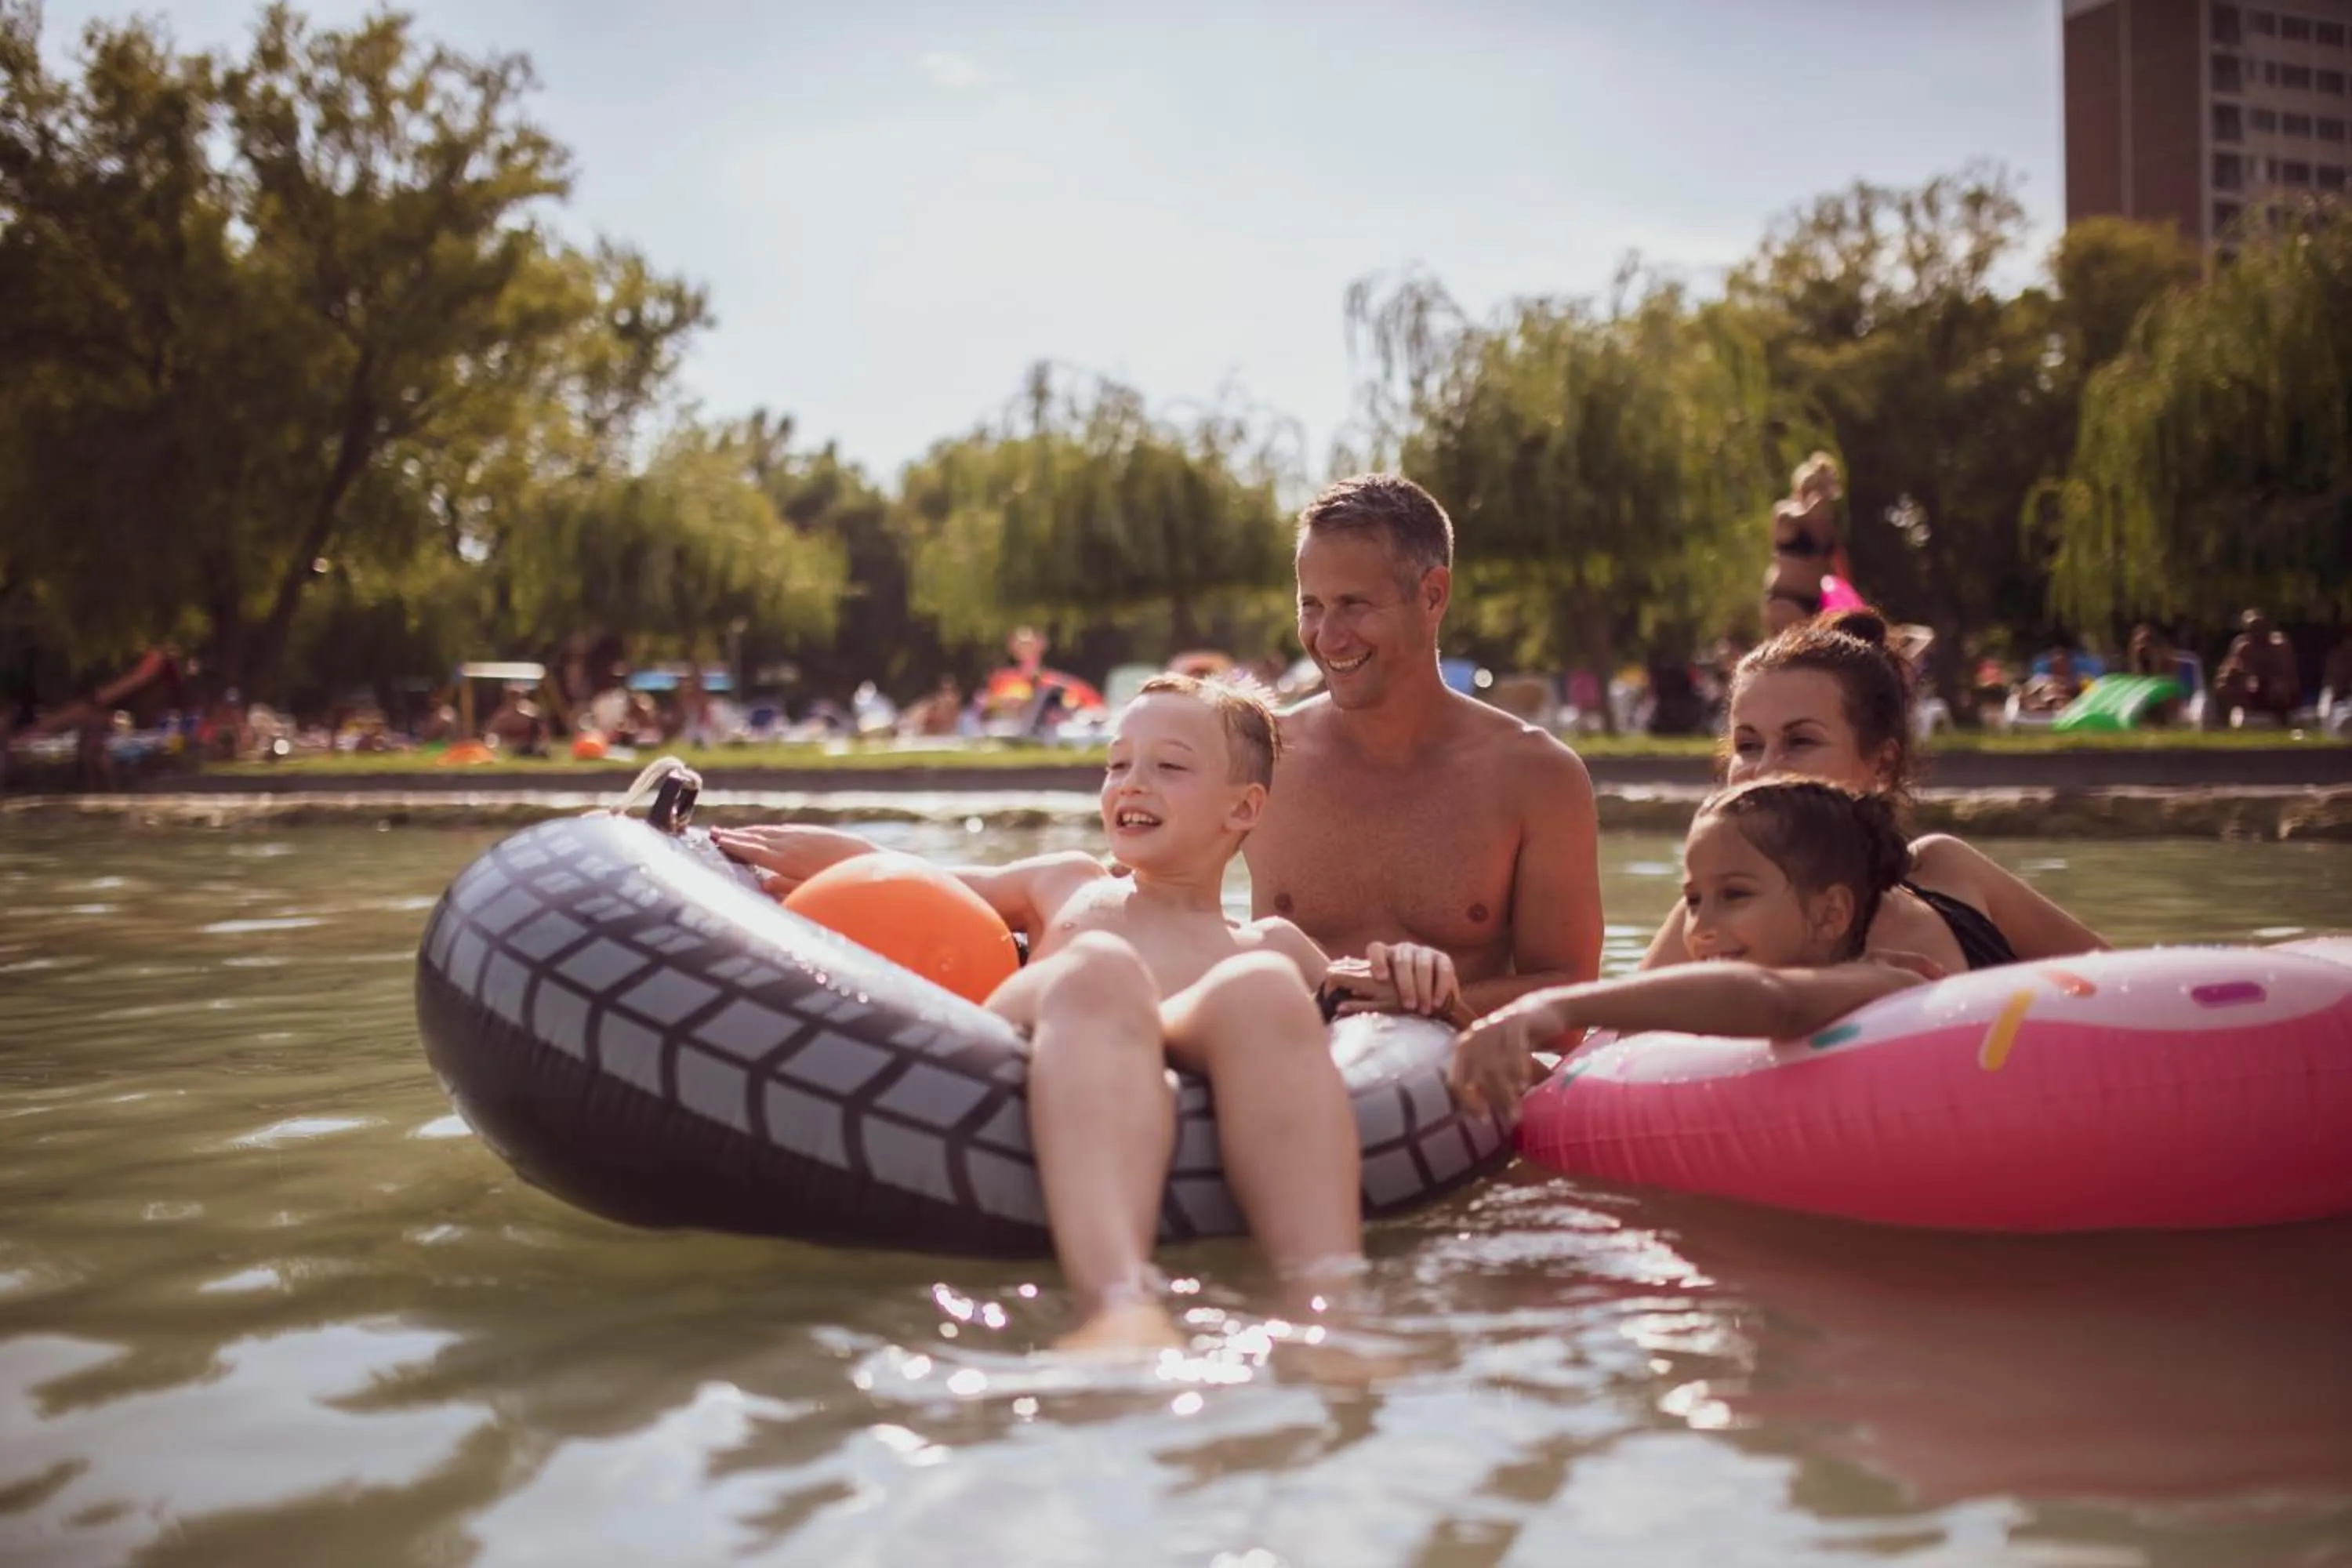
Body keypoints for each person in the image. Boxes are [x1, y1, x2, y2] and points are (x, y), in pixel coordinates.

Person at [716, 675, 1465, 1350]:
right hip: (1047, 1019)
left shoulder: (1270, 945)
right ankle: (1118, 1303)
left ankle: (1326, 1309)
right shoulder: (1067, 881)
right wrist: (805, 855)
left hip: (1177, 1036)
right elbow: (915, 883)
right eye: (1116, 764)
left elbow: (1388, 1017)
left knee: (1264, 986)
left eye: (1169, 767)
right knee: (1105, 967)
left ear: (1244, 806)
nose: (1131, 785)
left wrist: (1419, 980)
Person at [1248, 474, 1605, 1014]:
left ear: (1433, 594)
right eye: (1312, 606)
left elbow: (1570, 1002)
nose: (1327, 636)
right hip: (1293, 1066)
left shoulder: (1537, 777)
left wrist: (1428, 1002)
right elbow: (1156, 903)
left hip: (1451, 1076)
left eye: (1354, 605)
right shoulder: (1260, 758)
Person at [1642, 610, 2106, 975]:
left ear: (1882, 765)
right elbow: (1616, 1058)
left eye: (1800, 741)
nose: (1763, 769)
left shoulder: (1949, 872)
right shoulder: (1714, 913)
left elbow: (2122, 983)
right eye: (1747, 745)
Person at [1453, 778, 1930, 1115]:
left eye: (1736, 895)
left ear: (1830, 914)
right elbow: (1564, 1097)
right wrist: (1456, 1018)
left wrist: (1552, 1008)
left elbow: (1769, 999)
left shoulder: (1883, 982)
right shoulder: (1699, 1029)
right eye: (1693, 900)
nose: (1700, 926)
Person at [1763, 452, 1849, 633]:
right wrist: (1814, 507)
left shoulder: (1827, 527)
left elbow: (1839, 565)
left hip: (1816, 602)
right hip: (1787, 598)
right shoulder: (1785, 511)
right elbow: (1799, 518)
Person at [2215, 609, 2300, 724]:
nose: (2257, 633)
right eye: (2252, 629)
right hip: (2249, 688)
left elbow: (2287, 673)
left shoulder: (2279, 646)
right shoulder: (2243, 647)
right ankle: (2224, 723)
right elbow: (2229, 669)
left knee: (2279, 689)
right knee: (2224, 687)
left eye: (2260, 628)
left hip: (2274, 686)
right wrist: (2241, 676)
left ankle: (2283, 723)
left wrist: (2269, 678)